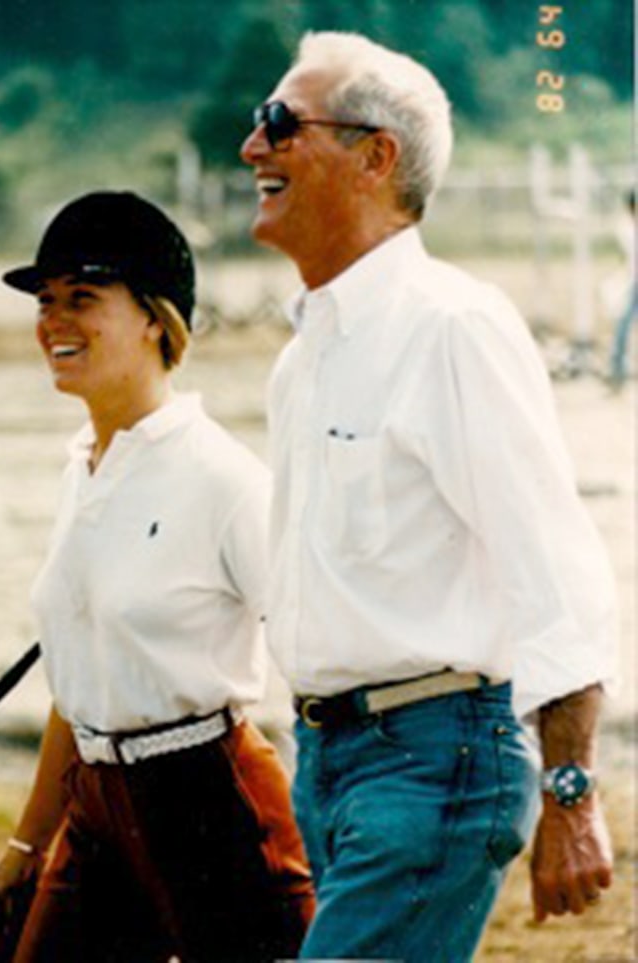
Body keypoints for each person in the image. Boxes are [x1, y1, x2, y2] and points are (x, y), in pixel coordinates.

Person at [240, 31, 619, 962]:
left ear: (377, 157)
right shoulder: (303, 360)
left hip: (435, 762)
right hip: (327, 764)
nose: (254, 147)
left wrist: (571, 790)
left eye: (283, 123)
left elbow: (555, 565)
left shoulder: (453, 329)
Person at [0, 191, 314, 962]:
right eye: (47, 301)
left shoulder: (226, 480)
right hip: (94, 807)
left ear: (156, 319)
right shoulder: (81, 472)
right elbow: (79, 683)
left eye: (83, 298)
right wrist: (25, 848)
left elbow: (318, 648)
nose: (54, 320)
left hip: (211, 804)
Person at [607, 188, 636, 389]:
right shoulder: (627, 228)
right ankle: (617, 367)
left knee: (624, 322)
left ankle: (618, 366)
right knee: (624, 323)